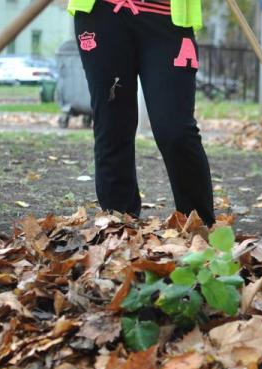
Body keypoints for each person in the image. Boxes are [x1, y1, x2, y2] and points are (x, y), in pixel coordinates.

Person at [67, 0, 215, 225]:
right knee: (112, 125)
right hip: (102, 14)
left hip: (168, 19)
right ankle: (119, 224)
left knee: (175, 131)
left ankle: (198, 225)